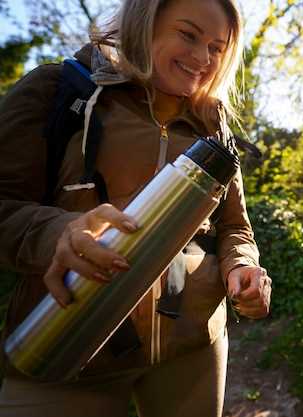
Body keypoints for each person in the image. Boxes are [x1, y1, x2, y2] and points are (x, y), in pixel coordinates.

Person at [0, 0, 271, 416]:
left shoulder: (212, 123)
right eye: (188, 34)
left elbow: (235, 226)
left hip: (193, 348)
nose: (202, 59)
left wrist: (242, 269)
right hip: (62, 345)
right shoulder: (58, 89)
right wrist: (60, 233)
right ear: (144, 24)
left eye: (217, 48)